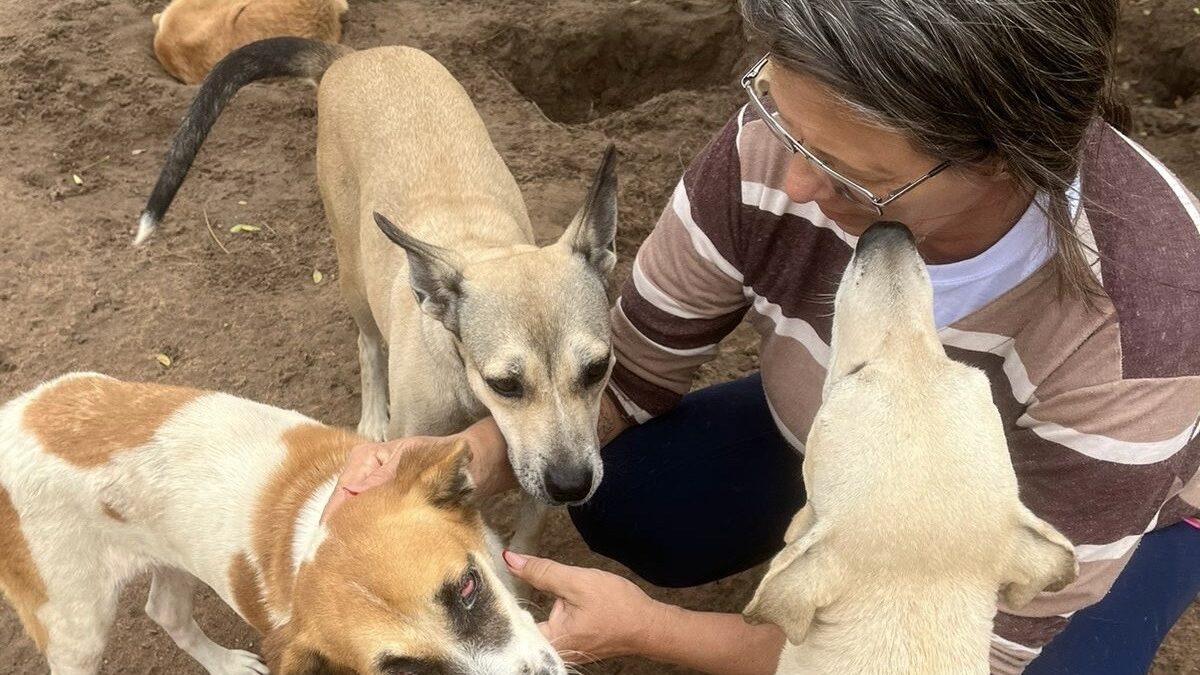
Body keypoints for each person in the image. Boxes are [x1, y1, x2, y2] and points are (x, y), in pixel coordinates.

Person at [321, 0, 1200, 672]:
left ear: (1004, 154)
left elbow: (942, 654)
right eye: (775, 116)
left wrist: (650, 630)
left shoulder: (1148, 326)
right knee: (630, 498)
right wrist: (455, 452)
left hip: (1068, 517)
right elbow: (628, 383)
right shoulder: (777, 147)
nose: (785, 180)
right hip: (831, 430)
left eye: (854, 176)